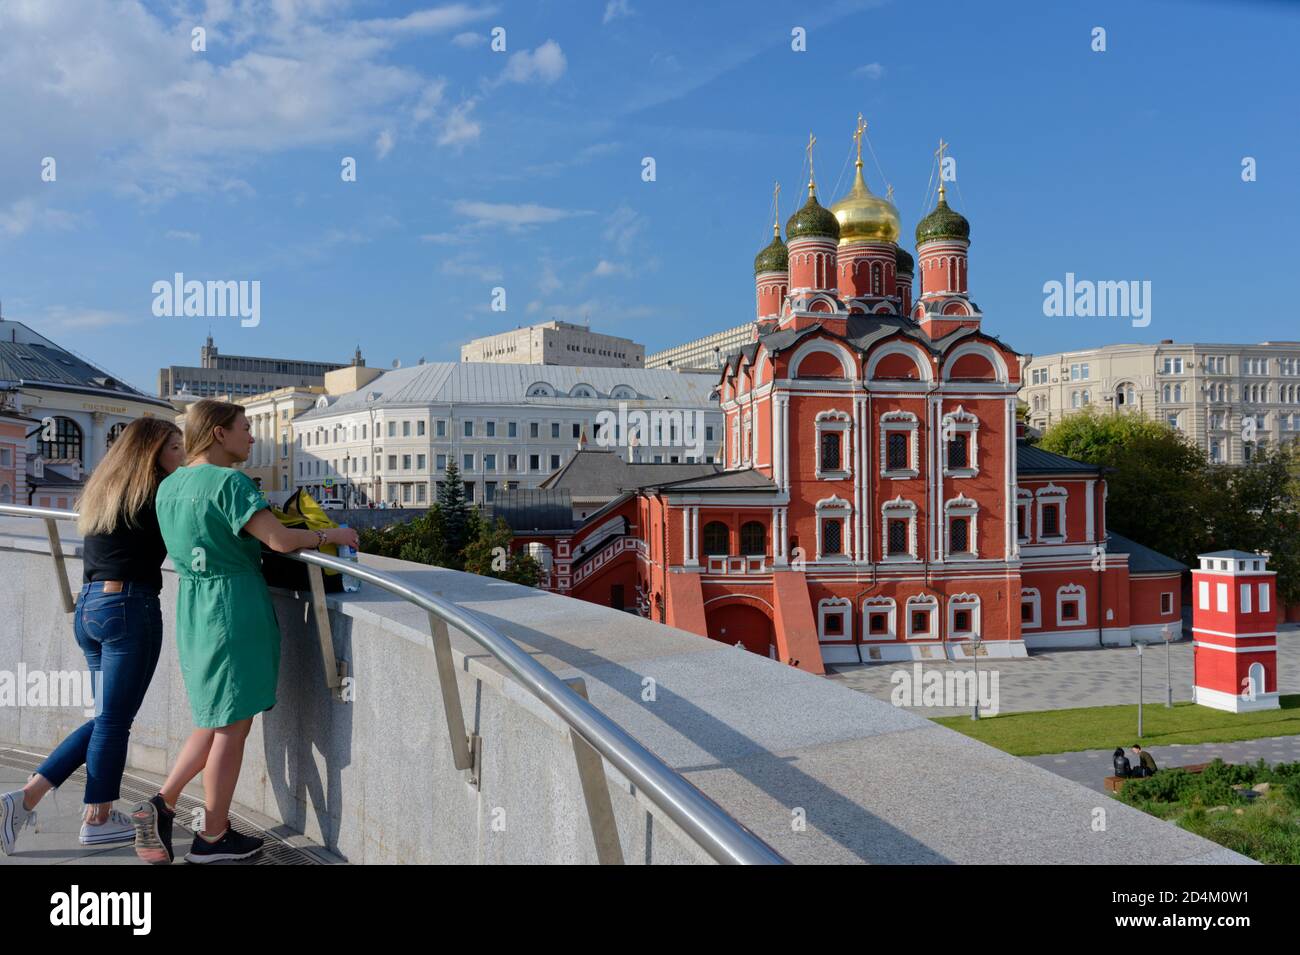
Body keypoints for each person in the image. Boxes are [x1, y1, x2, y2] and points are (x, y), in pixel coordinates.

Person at [130, 399, 358, 864]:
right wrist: (331, 535)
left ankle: (163, 804)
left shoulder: (170, 485)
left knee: (215, 717)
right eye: (245, 428)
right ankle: (211, 836)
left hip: (194, 606)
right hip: (233, 608)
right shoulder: (229, 482)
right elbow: (278, 539)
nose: (252, 437)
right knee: (232, 728)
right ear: (218, 433)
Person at [0, 418, 184, 856]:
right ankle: (97, 818)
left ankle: (24, 801)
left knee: (107, 716)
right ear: (153, 453)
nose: (182, 455)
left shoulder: (108, 487)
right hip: (128, 609)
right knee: (114, 721)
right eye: (175, 448)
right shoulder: (158, 491)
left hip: (90, 607)